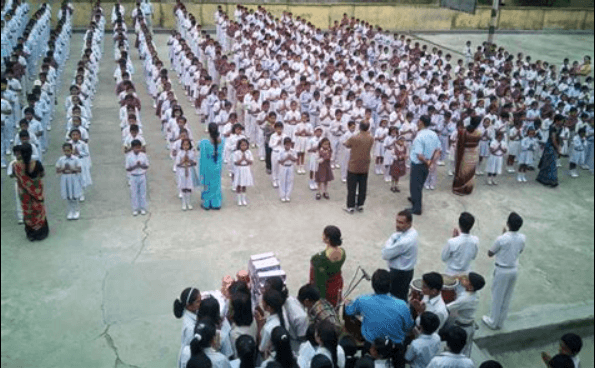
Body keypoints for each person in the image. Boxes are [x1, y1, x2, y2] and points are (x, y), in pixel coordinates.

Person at [345, 270, 414, 355]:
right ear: (390, 285)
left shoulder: (362, 300)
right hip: (395, 349)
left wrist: (347, 303)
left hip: (371, 347)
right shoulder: (403, 305)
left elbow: (349, 311)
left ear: (373, 285)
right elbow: (409, 327)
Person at [482, 212, 526, 330]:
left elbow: (490, 253)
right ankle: (500, 322)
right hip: (513, 270)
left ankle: (492, 321)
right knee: (507, 296)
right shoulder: (522, 237)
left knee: (497, 296)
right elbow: (519, 250)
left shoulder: (501, 238)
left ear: (507, 224)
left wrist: (502, 239)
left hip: (502, 270)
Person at [10, 143, 49, 241]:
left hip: (24, 193)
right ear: (31, 152)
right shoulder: (36, 163)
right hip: (37, 192)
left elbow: (14, 176)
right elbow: (42, 174)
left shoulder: (16, 165)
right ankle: (40, 232)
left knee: (28, 211)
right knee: (38, 209)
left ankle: (31, 234)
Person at [445, 272, 486, 357]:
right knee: (465, 348)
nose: (463, 279)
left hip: (463, 327)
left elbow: (447, 308)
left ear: (470, 287)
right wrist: (460, 279)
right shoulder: (473, 293)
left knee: (460, 351)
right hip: (468, 325)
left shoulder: (465, 299)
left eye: (466, 280)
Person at [381, 210, 419, 301]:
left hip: (399, 274)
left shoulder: (404, 241)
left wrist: (391, 239)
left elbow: (385, 254)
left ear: (409, 223)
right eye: (397, 221)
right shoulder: (413, 232)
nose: (397, 225)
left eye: (401, 222)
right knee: (402, 296)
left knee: (395, 299)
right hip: (407, 272)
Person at [408, 115, 441, 215]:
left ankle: (416, 208)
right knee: (420, 184)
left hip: (419, 164)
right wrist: (431, 161)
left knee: (415, 185)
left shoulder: (420, 136)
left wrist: (427, 162)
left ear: (421, 122)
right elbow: (438, 150)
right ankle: (414, 198)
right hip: (427, 162)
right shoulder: (433, 134)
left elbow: (419, 155)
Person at [310, 225, 346, 307]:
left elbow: (315, 280)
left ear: (327, 239)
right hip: (337, 285)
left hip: (325, 290)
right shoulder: (343, 252)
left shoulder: (318, 258)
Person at [343, 121, 374, 213]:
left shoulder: (354, 137)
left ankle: (350, 206)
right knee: (363, 186)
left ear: (359, 127)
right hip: (365, 165)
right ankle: (360, 204)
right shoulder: (371, 138)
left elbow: (346, 144)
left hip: (354, 165)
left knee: (352, 187)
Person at [441, 212, 479, 277]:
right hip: (466, 274)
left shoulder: (452, 242)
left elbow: (444, 257)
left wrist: (454, 239)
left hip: (451, 274)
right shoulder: (475, 240)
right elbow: (473, 256)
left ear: (459, 224)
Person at [452, 116, 482, 196]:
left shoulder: (463, 132)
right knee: (470, 171)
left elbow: (459, 143)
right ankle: (468, 188)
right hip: (474, 152)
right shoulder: (479, 132)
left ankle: (459, 187)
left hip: (465, 153)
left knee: (463, 169)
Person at [173, 287, 202, 368]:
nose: (201, 303)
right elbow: (192, 347)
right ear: (188, 305)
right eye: (198, 301)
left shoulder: (192, 311)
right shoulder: (190, 328)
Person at [199, 122, 225, 210]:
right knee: (216, 184)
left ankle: (207, 203)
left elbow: (198, 148)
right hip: (217, 165)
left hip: (207, 166)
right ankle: (216, 203)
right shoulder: (222, 141)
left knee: (207, 184)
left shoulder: (204, 142)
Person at [55, 142, 83, 220]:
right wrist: (63, 169)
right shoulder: (61, 159)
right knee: (68, 195)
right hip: (65, 178)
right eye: (65, 151)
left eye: (69, 150)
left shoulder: (75, 159)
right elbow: (57, 169)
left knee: (74, 195)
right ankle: (71, 211)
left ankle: (76, 211)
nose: (67, 152)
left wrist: (70, 168)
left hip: (73, 177)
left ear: (71, 150)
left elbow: (79, 169)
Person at [536, 114, 564, 188]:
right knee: (550, 163)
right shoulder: (553, 127)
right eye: (561, 121)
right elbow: (553, 139)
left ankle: (547, 179)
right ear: (557, 120)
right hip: (550, 146)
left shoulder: (560, 127)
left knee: (549, 163)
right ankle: (550, 180)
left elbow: (558, 138)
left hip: (554, 146)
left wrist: (559, 146)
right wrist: (558, 148)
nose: (562, 122)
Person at [125, 139, 149, 216]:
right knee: (134, 193)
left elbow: (146, 166)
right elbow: (127, 168)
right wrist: (135, 166)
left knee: (142, 192)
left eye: (138, 147)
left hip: (142, 175)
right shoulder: (129, 156)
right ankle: (135, 209)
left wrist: (140, 165)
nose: (137, 149)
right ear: (132, 148)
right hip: (133, 176)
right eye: (135, 148)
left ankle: (143, 208)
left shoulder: (143, 155)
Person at [176, 138, 198, 211]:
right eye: (184, 145)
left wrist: (189, 160)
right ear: (182, 145)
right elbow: (177, 164)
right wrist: (182, 161)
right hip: (182, 171)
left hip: (189, 170)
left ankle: (189, 202)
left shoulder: (191, 153)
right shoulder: (180, 153)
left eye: (187, 145)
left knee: (188, 187)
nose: (186, 146)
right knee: (183, 187)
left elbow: (195, 163)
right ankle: (183, 203)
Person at [279, 137, 298, 202]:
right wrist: (286, 158)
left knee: (289, 181)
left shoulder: (293, 151)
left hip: (290, 166)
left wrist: (291, 157)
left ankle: (287, 195)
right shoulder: (281, 151)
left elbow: (295, 159)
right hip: (283, 166)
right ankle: (282, 195)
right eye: (287, 144)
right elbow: (279, 161)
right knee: (283, 181)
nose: (288, 146)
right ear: (284, 145)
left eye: (289, 144)